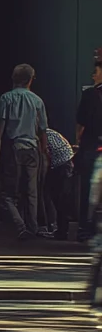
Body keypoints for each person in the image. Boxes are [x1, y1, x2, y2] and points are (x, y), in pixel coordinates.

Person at [0, 64, 48, 240]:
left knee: (9, 194)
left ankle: (20, 226)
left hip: (13, 148)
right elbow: (42, 129)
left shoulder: (5, 99)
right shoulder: (37, 101)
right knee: (32, 192)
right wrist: (44, 151)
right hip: (33, 149)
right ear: (31, 80)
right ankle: (33, 227)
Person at [75, 61, 102, 243]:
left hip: (91, 146)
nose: (93, 75)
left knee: (87, 188)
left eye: (96, 72)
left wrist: (78, 140)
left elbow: (81, 123)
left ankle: (85, 229)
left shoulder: (89, 94)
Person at [41, 127, 75, 240]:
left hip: (60, 167)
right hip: (66, 164)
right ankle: (60, 229)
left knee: (56, 198)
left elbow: (45, 154)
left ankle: (59, 230)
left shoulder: (43, 135)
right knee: (60, 199)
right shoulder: (50, 132)